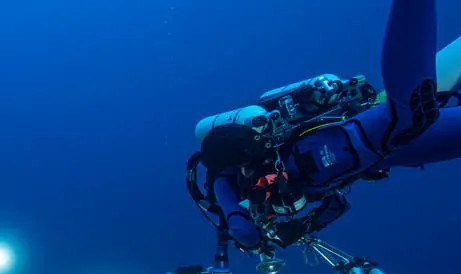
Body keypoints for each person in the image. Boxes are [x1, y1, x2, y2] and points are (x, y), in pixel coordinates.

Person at [190, 0, 461, 260]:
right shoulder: (284, 185)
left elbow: (242, 230)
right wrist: (303, 227)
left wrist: (258, 241)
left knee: (409, 116)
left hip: (357, 140)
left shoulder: (224, 181)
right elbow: (337, 205)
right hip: (384, 150)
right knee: (416, 123)